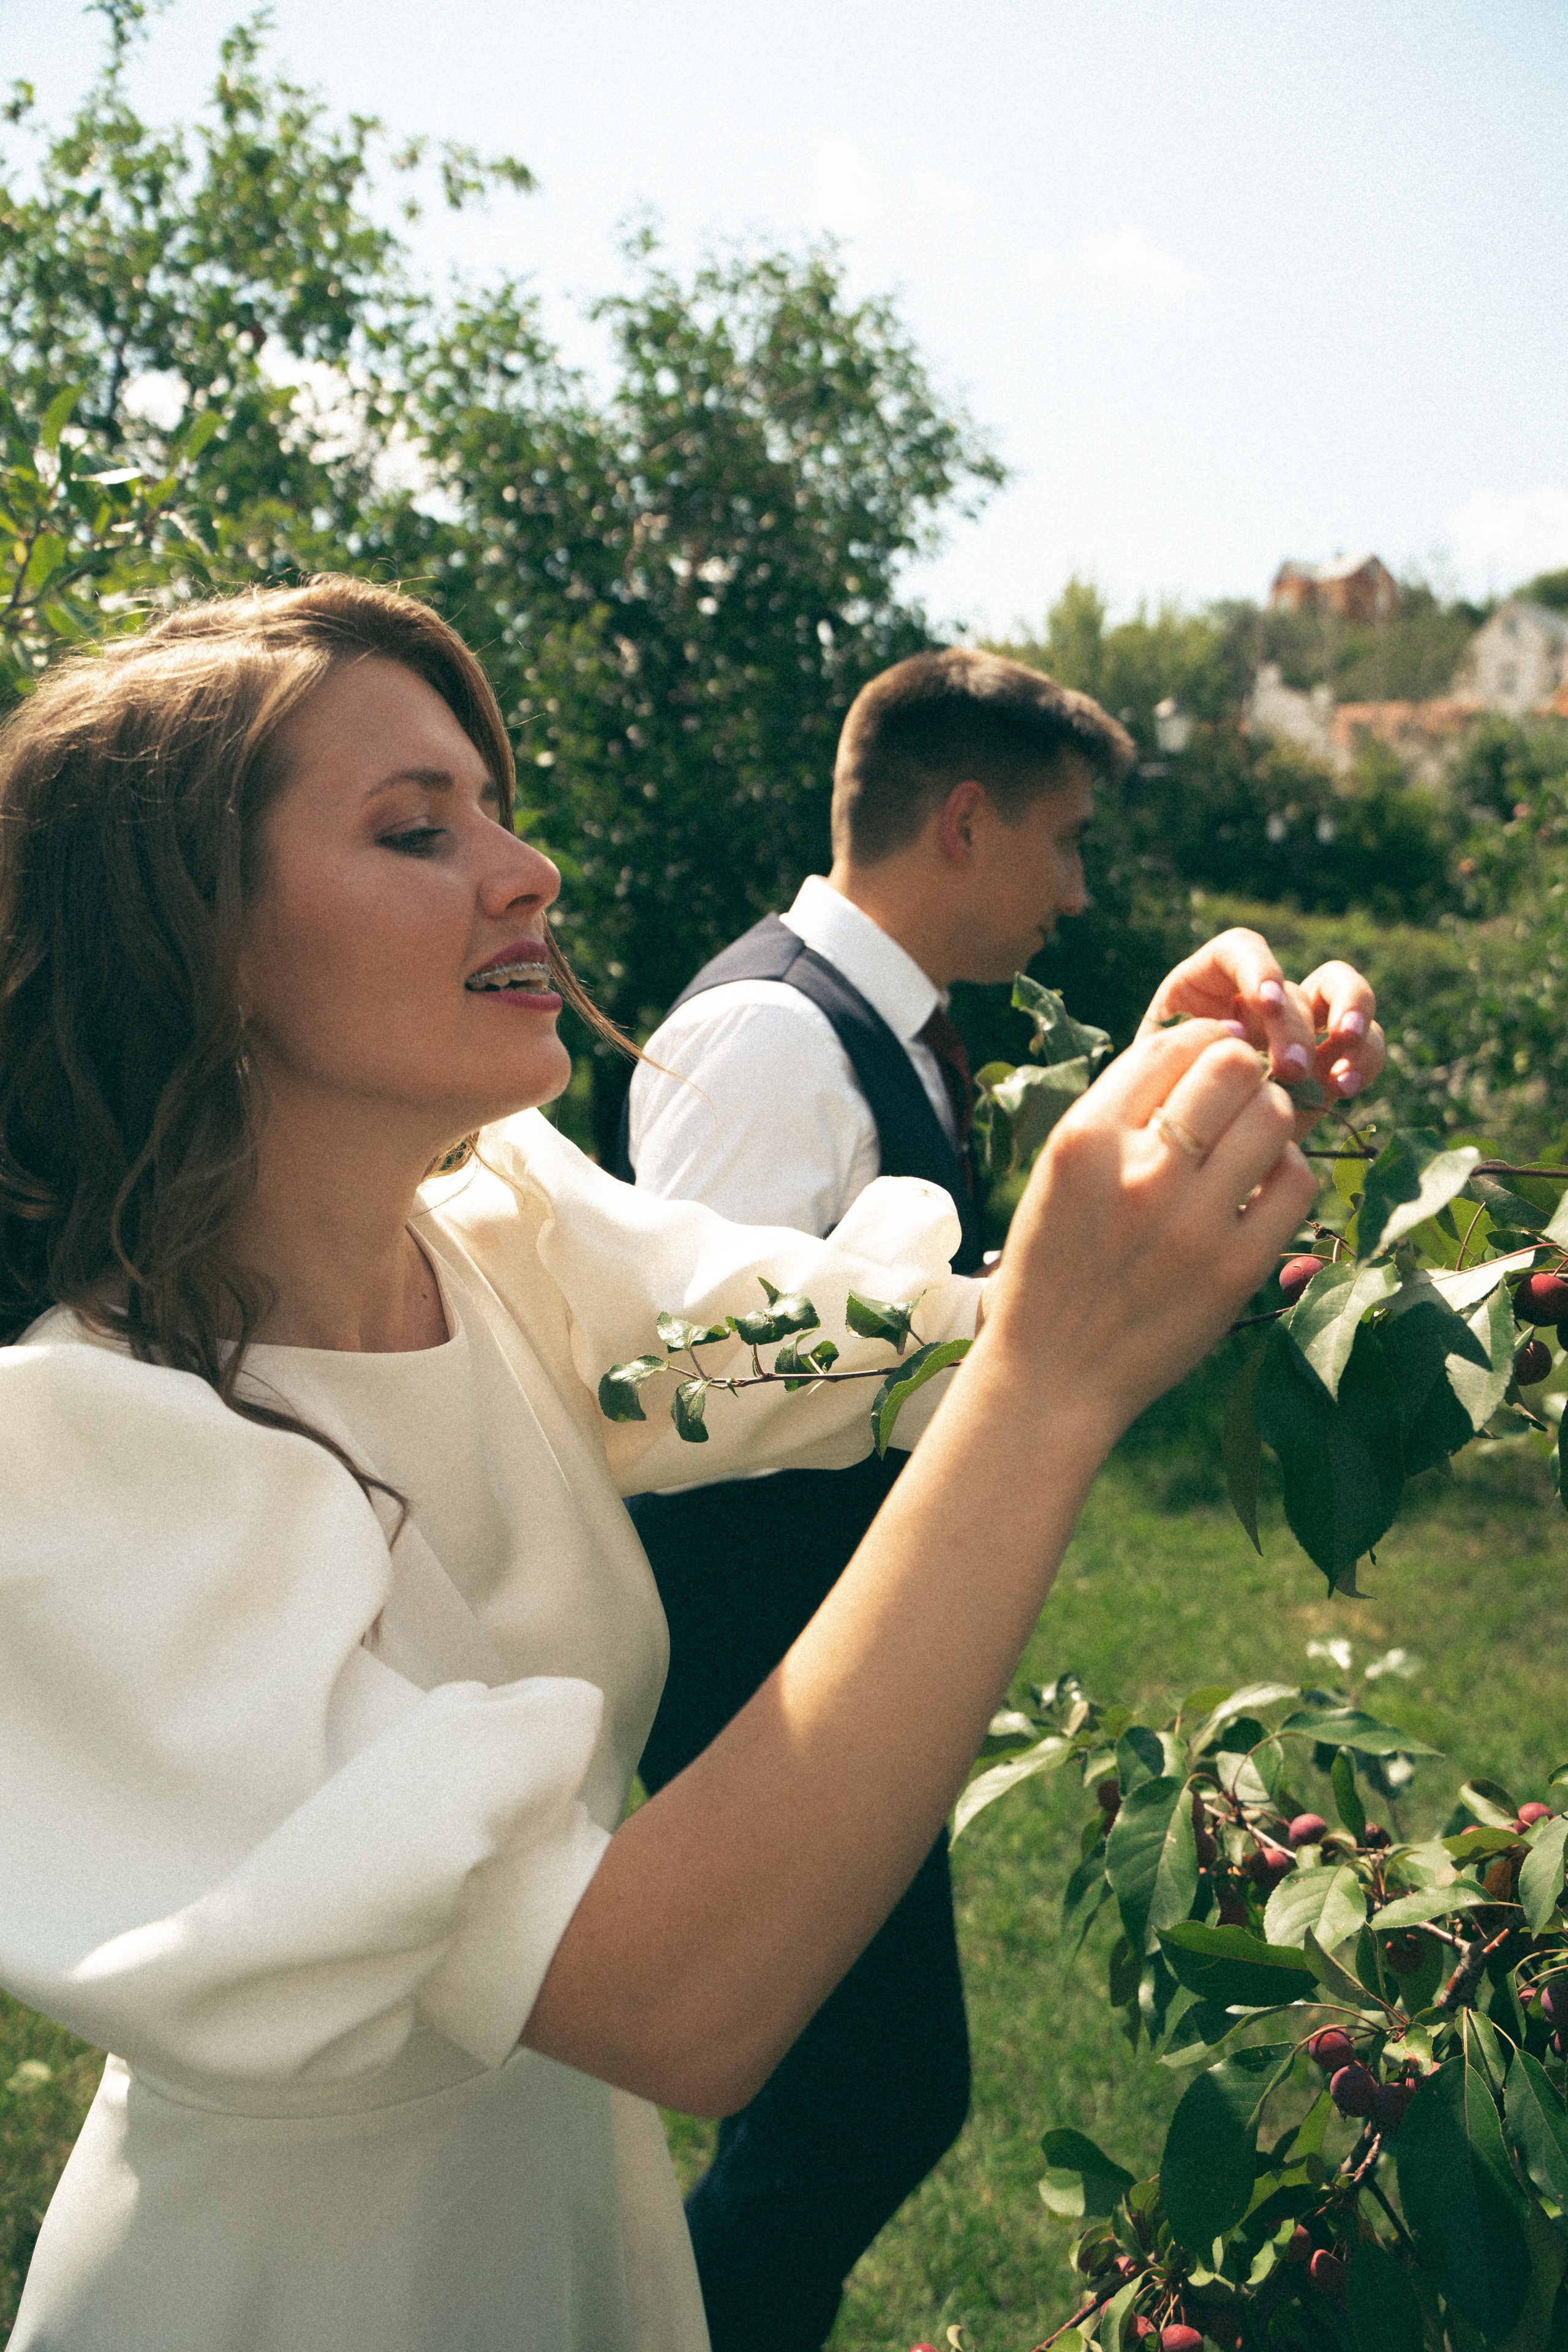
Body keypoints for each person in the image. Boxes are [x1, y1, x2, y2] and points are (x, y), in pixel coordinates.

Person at [0, 579, 1375, 2352]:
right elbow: (671, 2001)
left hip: (573, 2220)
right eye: (419, 829)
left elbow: (890, 1339)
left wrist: (1182, 1101)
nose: (529, 872)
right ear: (191, 936)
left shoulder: (502, 1236)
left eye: (497, 810)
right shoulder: (77, 1453)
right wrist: (1051, 1386)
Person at [620, 647, 1383, 2351]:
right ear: (966, 823)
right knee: (857, 2106)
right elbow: (699, 1408)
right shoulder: (768, 1039)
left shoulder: (891, 1030)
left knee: (868, 2099)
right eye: (1068, 841)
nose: (1079, 890)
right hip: (769, 1673)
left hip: (845, 1656)